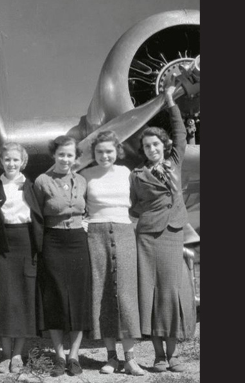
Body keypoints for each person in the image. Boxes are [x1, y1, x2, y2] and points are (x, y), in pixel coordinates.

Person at [129, 79, 197, 373]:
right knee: (150, 293)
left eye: (156, 144)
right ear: (142, 150)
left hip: (172, 235)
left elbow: (181, 133)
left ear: (163, 145)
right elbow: (133, 205)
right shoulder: (136, 175)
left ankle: (175, 354)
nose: (152, 148)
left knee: (172, 291)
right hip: (146, 237)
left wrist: (170, 101)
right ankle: (158, 356)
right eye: (146, 145)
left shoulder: (174, 163)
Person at [80, 131, 144, 376]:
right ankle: (111, 358)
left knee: (126, 292)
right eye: (99, 152)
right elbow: (76, 204)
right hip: (95, 235)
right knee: (103, 291)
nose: (104, 156)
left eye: (109, 151)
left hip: (125, 232)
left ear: (117, 151)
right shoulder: (86, 175)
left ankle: (130, 359)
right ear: (93, 154)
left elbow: (141, 201)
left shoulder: (127, 173)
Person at [33, 136, 91, 377]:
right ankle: (58, 355)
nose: (65, 159)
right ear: (53, 155)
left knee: (78, 297)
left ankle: (74, 356)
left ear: (75, 157)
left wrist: (84, 222)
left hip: (77, 241)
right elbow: (35, 214)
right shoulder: (42, 181)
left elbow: (87, 209)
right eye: (61, 155)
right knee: (55, 297)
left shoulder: (82, 181)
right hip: (52, 241)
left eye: (70, 155)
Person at [0, 143, 43, 374]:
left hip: (26, 243)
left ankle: (18, 354)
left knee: (23, 298)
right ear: (0, 161)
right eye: (7, 159)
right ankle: (5, 354)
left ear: (23, 162)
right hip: (1, 244)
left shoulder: (31, 186)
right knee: (4, 299)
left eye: (16, 160)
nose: (11, 163)